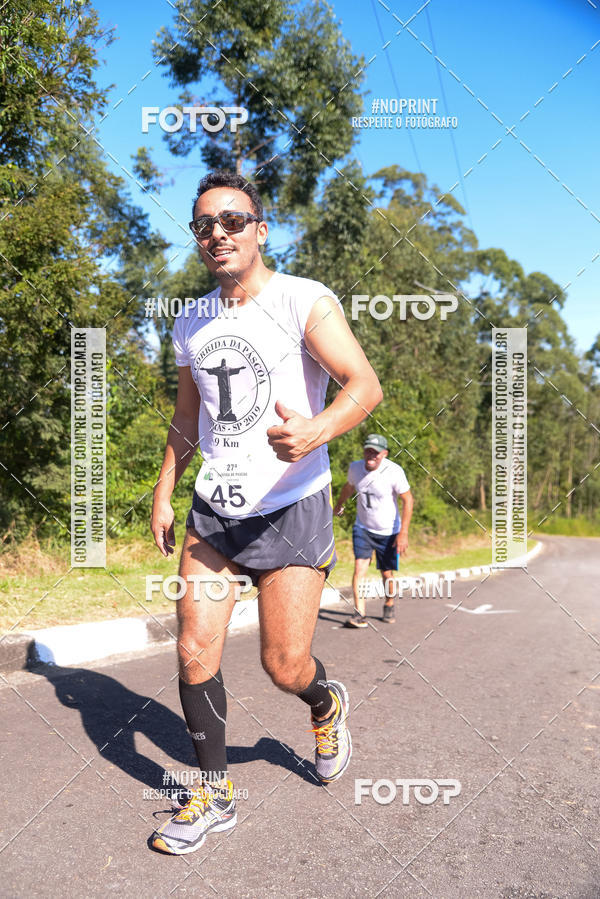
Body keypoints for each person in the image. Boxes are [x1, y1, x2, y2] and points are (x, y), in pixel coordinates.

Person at [149, 170, 382, 855]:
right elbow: (187, 417)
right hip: (214, 511)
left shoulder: (303, 300)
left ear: (259, 228)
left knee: (284, 664)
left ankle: (323, 701)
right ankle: (214, 793)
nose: (215, 234)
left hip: (290, 505)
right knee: (193, 646)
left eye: (230, 220)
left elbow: (363, 385)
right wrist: (166, 489)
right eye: (202, 226)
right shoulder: (190, 320)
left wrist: (316, 431)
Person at [333, 434, 413, 627]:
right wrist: (340, 504)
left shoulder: (394, 472)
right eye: (368, 450)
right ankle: (359, 613)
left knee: (386, 573)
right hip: (363, 527)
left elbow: (408, 499)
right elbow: (349, 486)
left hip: (389, 532)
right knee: (359, 568)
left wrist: (403, 533)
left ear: (384, 454)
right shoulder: (355, 467)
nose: (371, 455)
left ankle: (389, 603)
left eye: (375, 453)